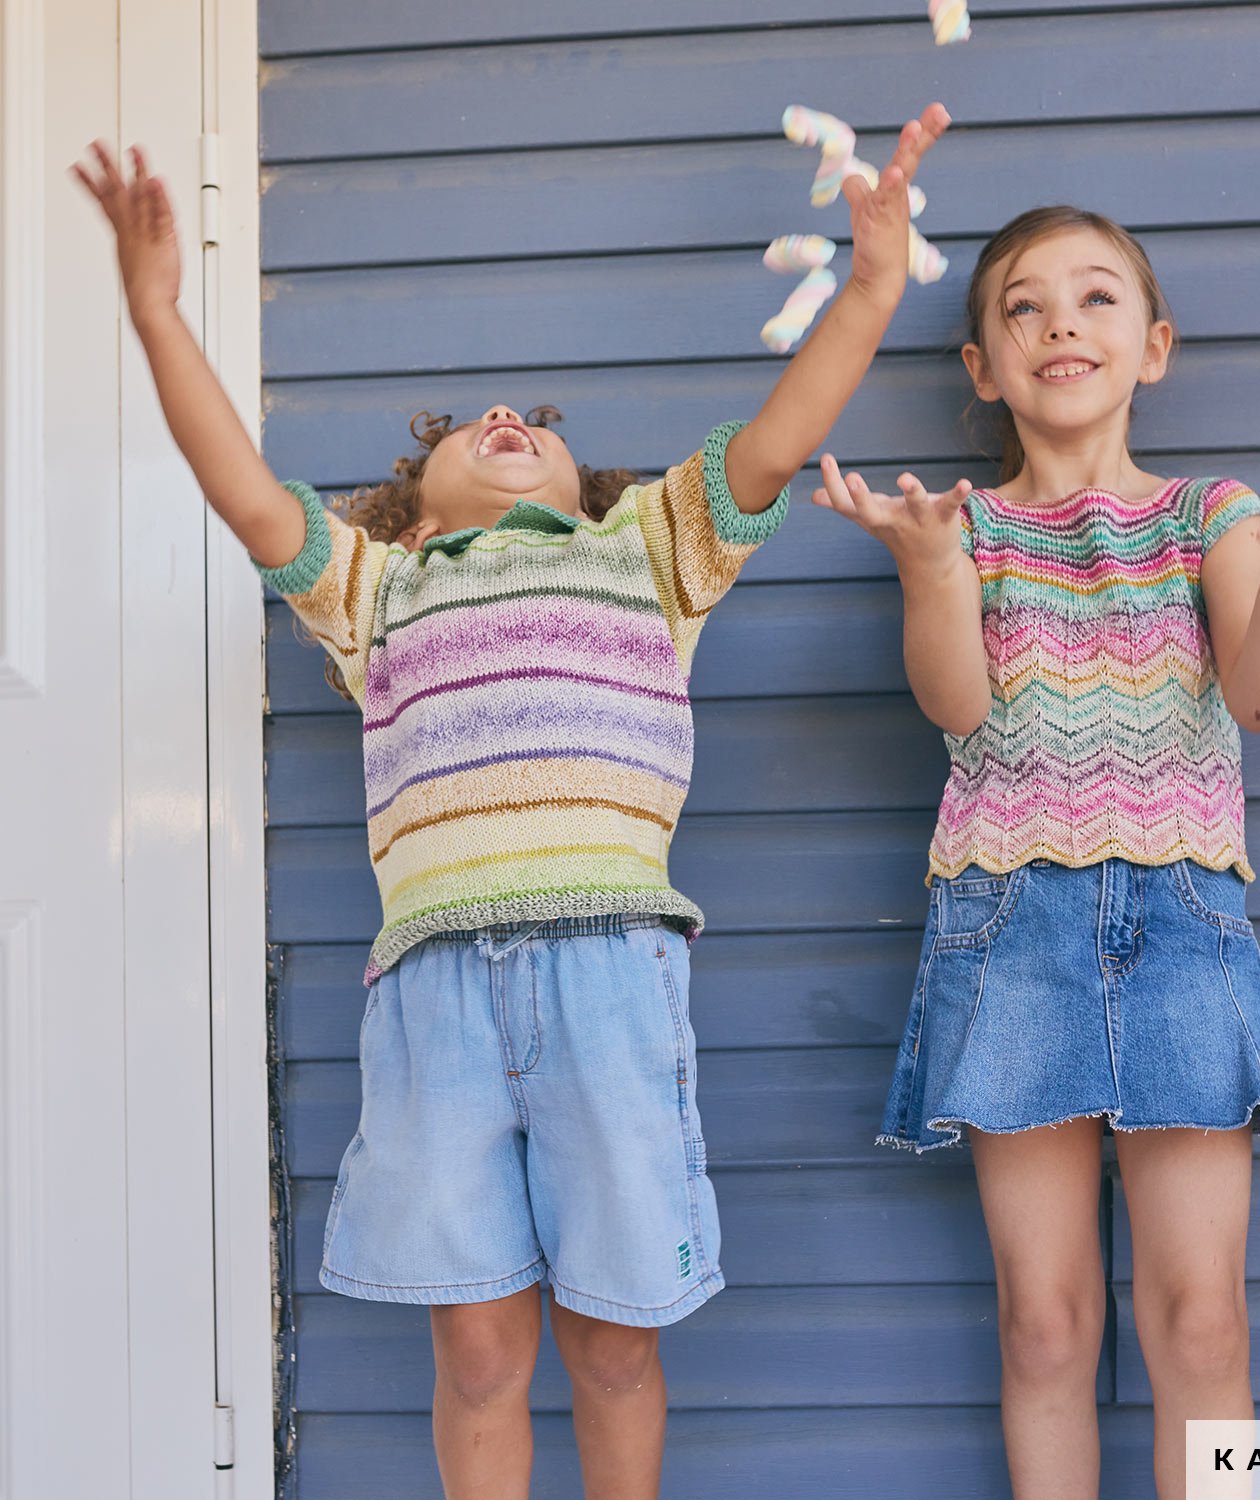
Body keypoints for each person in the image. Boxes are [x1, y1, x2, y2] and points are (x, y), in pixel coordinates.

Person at [74, 105, 949, 1500]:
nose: (511, 423)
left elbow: (779, 440)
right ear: (413, 511)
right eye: (478, 430)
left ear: (580, 490)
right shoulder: (376, 591)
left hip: (611, 978)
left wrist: (876, 283)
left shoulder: (646, 553)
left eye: (538, 428)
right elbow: (245, 496)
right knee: (479, 1358)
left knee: (612, 1348)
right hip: (436, 998)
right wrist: (158, 313)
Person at [812, 204, 1260, 1500]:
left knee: (1202, 1323)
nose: (1060, 324)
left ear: (1155, 345)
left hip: (1184, 928)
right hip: (1009, 930)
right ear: (982, 367)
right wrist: (928, 572)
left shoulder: (1213, 515)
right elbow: (956, 707)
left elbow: (1259, 697)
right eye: (1022, 306)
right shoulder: (962, 527)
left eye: (1096, 297)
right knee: (1044, 1324)